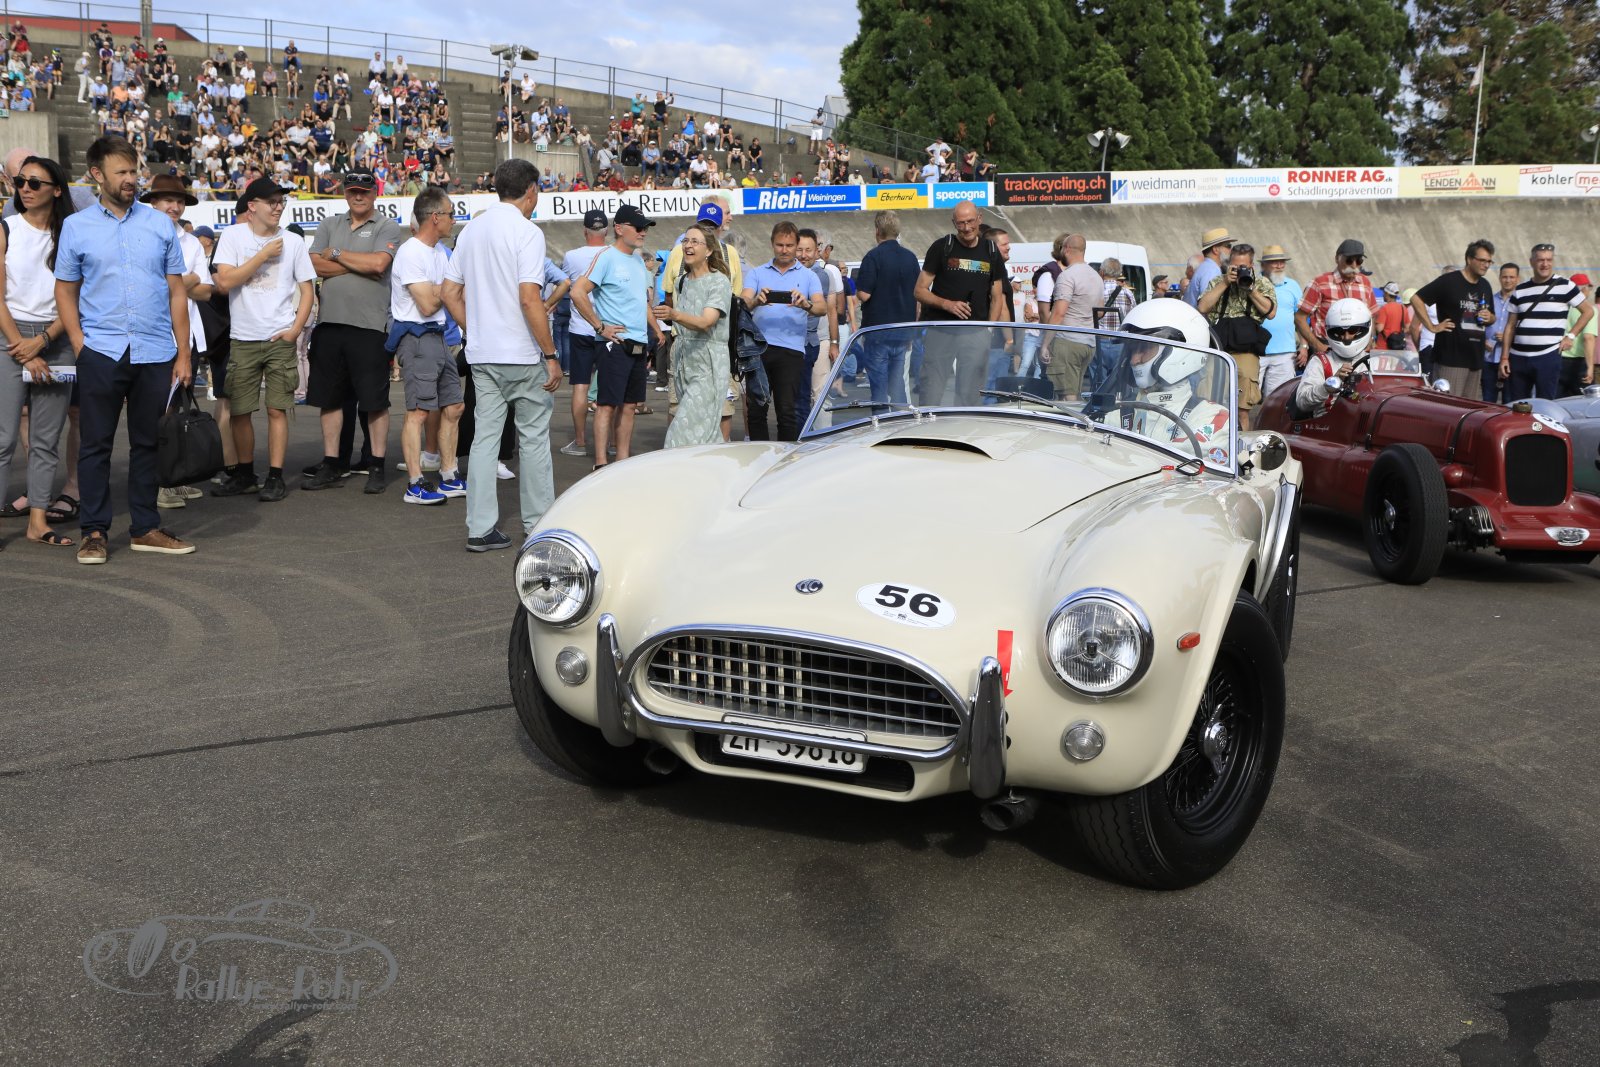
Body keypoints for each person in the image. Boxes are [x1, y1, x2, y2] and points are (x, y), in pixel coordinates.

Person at [54, 136, 194, 564]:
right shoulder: (77, 226)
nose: (131, 179)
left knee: (147, 444)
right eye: (122, 172)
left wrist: (183, 354)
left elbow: (177, 292)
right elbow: (65, 290)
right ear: (97, 174)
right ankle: (94, 532)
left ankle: (145, 528)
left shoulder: (159, 224)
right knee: (95, 445)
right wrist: (79, 343)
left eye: (134, 171)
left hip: (155, 350)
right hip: (101, 351)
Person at [440, 158, 564, 553]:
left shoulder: (471, 230)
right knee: (533, 439)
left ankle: (480, 528)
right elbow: (529, 298)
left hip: (483, 353)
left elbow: (448, 293)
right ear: (531, 191)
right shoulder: (527, 232)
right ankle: (538, 523)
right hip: (522, 352)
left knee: (484, 441)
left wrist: (475, 329)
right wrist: (551, 354)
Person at [210, 177, 316, 502]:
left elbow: (308, 290)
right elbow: (224, 282)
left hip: (279, 337)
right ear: (252, 206)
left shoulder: (293, 242)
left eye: (281, 201)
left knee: (277, 410)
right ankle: (245, 475)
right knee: (240, 411)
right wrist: (263, 254)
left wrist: (295, 330)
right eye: (271, 202)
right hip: (242, 338)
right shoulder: (233, 236)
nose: (278, 207)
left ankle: (275, 476)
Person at [302, 170, 404, 492]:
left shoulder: (386, 225)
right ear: (345, 193)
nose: (358, 196)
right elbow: (313, 265)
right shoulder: (329, 224)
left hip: (370, 326)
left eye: (364, 191)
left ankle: (376, 465)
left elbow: (378, 265)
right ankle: (332, 463)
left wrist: (336, 254)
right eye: (352, 191)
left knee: (374, 402)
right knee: (330, 400)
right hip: (330, 324)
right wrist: (359, 264)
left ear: (374, 194)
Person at [0, 154, 76, 548]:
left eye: (34, 183)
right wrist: (25, 349)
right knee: (3, 439)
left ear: (56, 190)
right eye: (21, 182)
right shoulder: (6, 228)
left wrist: (44, 341)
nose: (25, 189)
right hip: (9, 336)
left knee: (46, 440)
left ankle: (37, 522)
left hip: (56, 339)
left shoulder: (71, 235)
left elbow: (76, 299)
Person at [140, 174, 212, 511]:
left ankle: (172, 476)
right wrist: (188, 278)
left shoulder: (191, 242)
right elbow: (151, 287)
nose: (175, 206)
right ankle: (157, 482)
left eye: (180, 201)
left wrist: (177, 282)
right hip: (154, 336)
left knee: (178, 409)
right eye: (168, 200)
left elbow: (206, 291)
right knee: (159, 411)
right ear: (153, 202)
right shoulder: (141, 234)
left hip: (188, 337)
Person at [391, 187, 465, 506]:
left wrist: (441, 291)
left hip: (439, 335)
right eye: (450, 214)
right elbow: (426, 304)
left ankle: (449, 475)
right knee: (419, 412)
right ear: (435, 217)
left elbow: (446, 295)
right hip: (417, 337)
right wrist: (445, 290)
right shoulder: (411, 252)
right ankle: (415, 484)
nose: (454, 219)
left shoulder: (438, 253)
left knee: (454, 406)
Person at [570, 203, 657, 468]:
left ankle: (622, 461)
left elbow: (641, 301)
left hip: (638, 343)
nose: (643, 232)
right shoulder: (606, 257)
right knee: (607, 404)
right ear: (618, 228)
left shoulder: (638, 261)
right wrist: (600, 327)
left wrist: (654, 331)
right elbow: (577, 292)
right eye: (638, 227)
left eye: (645, 228)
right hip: (614, 344)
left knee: (629, 405)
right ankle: (600, 464)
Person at [1091, 300, 1231, 463]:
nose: (1134, 360)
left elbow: (1183, 460)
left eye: (1145, 348)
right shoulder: (1123, 412)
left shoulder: (1211, 416)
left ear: (1179, 352)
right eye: (1132, 350)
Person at [740, 220, 825, 441]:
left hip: (791, 350)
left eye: (789, 245)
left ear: (796, 245)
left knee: (787, 412)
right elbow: (743, 302)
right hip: (759, 350)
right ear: (772, 244)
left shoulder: (809, 276)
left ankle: (785, 456)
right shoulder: (757, 273)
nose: (784, 250)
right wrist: (756, 301)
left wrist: (805, 304)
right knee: (756, 410)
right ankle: (759, 455)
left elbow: (822, 307)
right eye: (780, 245)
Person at [915, 201, 1005, 405]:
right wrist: (947, 304)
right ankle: (928, 424)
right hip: (942, 331)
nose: (966, 228)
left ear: (979, 219)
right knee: (931, 391)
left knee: (970, 396)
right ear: (953, 223)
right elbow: (919, 290)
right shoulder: (942, 247)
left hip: (975, 333)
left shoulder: (991, 250)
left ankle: (964, 425)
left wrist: (989, 330)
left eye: (970, 221)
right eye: (961, 223)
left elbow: (997, 296)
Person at [655, 225, 731, 447]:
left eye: (695, 241)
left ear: (709, 250)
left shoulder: (719, 281)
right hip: (684, 360)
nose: (688, 246)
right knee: (704, 432)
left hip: (708, 362)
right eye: (686, 241)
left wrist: (674, 314)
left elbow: (707, 322)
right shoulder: (682, 281)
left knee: (681, 434)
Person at [1499, 243, 1593, 401]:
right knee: (1517, 404)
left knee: (1546, 404)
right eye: (1540, 260)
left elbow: (1588, 311)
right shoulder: (1520, 289)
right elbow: (1510, 326)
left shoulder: (1565, 286)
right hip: (1518, 357)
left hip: (1547, 356)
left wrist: (1570, 336)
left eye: (1549, 260)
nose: (1545, 264)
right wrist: (1504, 358)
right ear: (1531, 262)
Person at [1198, 242, 1275, 428]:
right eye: (1235, 266)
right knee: (1210, 405)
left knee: (1242, 410)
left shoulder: (1261, 283)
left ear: (1251, 265)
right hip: (1219, 349)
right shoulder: (1218, 281)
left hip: (1246, 351)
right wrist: (1225, 282)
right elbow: (1202, 307)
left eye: (1243, 267)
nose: (1239, 271)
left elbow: (1271, 312)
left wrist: (1250, 289)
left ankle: (1242, 443)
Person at [1409, 239, 1497, 399]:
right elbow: (1416, 299)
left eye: (1489, 261)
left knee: (1470, 409)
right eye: (1482, 260)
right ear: (1469, 259)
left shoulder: (1485, 285)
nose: (1486, 265)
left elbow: (1492, 317)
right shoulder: (1449, 281)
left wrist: (1489, 317)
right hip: (1451, 359)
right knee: (1448, 406)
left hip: (1476, 360)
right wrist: (1432, 326)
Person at [854, 209, 919, 405]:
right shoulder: (910, 257)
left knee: (879, 390)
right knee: (897, 386)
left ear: (877, 230)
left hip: (878, 331)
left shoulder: (873, 257)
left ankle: (881, 421)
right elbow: (918, 297)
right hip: (904, 331)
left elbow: (864, 295)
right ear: (897, 231)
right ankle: (901, 420)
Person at [558, 209, 610, 458]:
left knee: (580, 385)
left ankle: (580, 441)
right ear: (607, 231)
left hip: (581, 328)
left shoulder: (572, 256)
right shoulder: (613, 254)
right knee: (609, 386)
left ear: (584, 231)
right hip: (607, 328)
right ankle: (610, 441)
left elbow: (566, 283)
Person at [1292, 298, 1374, 420]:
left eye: (1353, 330)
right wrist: (1328, 386)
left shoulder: (1376, 361)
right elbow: (1302, 402)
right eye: (1339, 331)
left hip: (1367, 420)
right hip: (1328, 423)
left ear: (1365, 328)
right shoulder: (1321, 361)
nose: (1346, 337)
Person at [1043, 233, 1102, 400]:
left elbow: (1059, 312)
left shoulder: (1067, 276)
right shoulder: (1096, 276)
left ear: (1067, 249)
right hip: (1088, 343)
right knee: (1074, 393)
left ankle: (1072, 418)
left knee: (1066, 396)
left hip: (1068, 341)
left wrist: (1045, 344)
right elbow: (1100, 311)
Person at [1296, 238, 1379, 358]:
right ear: (1337, 259)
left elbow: (1372, 316)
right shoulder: (1319, 283)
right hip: (1328, 350)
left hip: (1359, 350)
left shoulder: (1365, 283)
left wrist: (1371, 338)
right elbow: (1299, 318)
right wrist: (1318, 345)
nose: (1354, 265)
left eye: (1359, 261)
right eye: (1349, 260)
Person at [794, 227, 836, 425]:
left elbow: (830, 310)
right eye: (799, 249)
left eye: (808, 250)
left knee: (814, 395)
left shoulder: (821, 275)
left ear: (817, 251)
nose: (803, 255)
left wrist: (834, 342)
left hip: (814, 341)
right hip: (796, 342)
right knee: (797, 397)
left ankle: (819, 434)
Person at [1259, 245, 1304, 398]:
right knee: (1245, 397)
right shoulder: (1254, 284)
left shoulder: (1293, 285)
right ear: (1263, 265)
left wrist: (1304, 345)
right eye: (1274, 262)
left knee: (1277, 399)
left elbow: (1301, 318)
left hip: (1285, 353)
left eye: (1282, 261)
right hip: (1255, 351)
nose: (1279, 265)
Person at [1483, 262, 1520, 403]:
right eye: (1505, 277)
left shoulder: (1521, 303)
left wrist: (1508, 337)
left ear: (1517, 279)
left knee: (1509, 402)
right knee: (1487, 401)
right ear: (1499, 278)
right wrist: (1483, 341)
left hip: (1511, 359)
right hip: (1489, 358)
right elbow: (1478, 324)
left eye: (1511, 277)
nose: (1508, 280)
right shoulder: (1489, 300)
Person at [1561, 273, 1597, 395]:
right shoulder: (1589, 310)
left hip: (1558, 359)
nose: (1590, 291)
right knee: (1584, 402)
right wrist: (1590, 367)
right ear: (1583, 289)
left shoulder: (1562, 308)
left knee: (1558, 401)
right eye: (1589, 287)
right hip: (1578, 363)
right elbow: (1588, 338)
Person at [1185, 228, 1232, 308]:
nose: (1231, 250)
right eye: (1228, 246)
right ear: (1215, 249)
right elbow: (1207, 305)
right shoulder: (1211, 270)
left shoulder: (1206, 267)